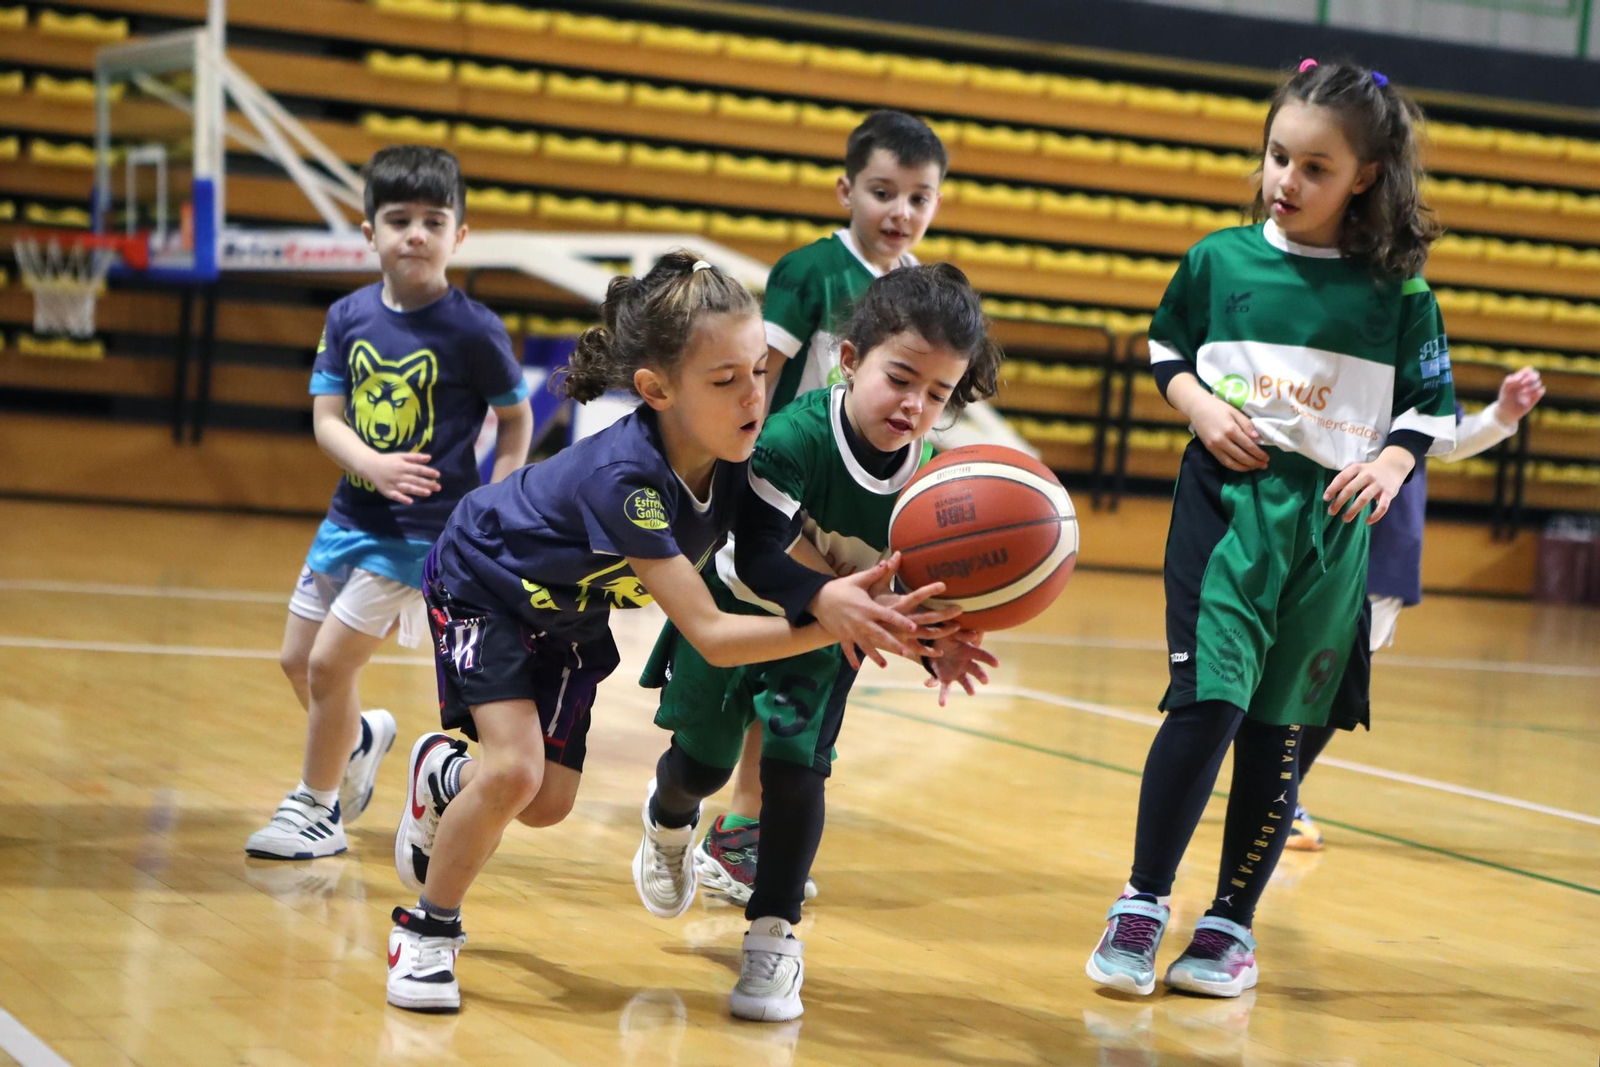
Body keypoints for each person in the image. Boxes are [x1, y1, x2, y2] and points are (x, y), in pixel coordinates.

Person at [384, 252, 958, 1013]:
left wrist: (901, 615)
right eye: (726, 382)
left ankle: (445, 780)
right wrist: (834, 621)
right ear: (656, 390)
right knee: (517, 771)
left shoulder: (738, 455)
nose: (754, 396)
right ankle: (427, 929)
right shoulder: (629, 481)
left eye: (760, 370)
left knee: (546, 801)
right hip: (485, 579)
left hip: (570, 611)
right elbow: (714, 634)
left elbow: (780, 559)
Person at [1083, 58, 1457, 998]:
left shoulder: (1400, 295)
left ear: (1365, 176)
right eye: (1277, 157)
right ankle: (1142, 902)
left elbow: (1429, 408)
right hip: (1227, 510)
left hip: (1330, 530)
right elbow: (1170, 346)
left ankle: (1229, 927)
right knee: (1209, 703)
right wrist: (1199, 407)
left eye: (1314, 167)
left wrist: (1389, 462)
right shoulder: (1220, 260)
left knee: (1279, 731)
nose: (1286, 181)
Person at [637, 263, 1004, 1021]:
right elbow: (755, 550)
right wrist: (829, 596)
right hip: (732, 616)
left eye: (938, 393)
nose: (915, 405)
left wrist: (936, 641)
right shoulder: (794, 435)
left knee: (796, 770)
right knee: (698, 767)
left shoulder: (935, 481)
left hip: (816, 641)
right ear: (848, 359)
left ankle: (774, 933)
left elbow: (911, 589)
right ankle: (668, 819)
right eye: (901, 378)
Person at [681, 110, 952, 902]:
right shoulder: (810, 272)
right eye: (882, 192)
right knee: (782, 655)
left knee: (805, 664)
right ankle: (713, 806)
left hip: (848, 513)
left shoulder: (924, 294)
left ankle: (740, 829)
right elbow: (754, 374)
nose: (900, 212)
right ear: (846, 191)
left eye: (919, 197)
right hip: (780, 488)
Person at [246, 145, 532, 861]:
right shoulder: (346, 316)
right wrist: (370, 463)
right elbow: (326, 419)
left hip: (421, 537)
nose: (414, 233)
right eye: (397, 218)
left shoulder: (474, 330)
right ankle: (362, 737)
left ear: (458, 235)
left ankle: (318, 808)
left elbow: (518, 416)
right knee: (296, 658)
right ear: (368, 229)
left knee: (329, 666)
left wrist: (499, 495)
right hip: (349, 517)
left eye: (433, 220)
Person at [1286, 366, 1545, 850]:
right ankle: (1253, 787)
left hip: (1382, 548)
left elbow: (1448, 438)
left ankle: (1281, 796)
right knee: (1269, 672)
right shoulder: (1321, 347)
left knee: (1334, 681)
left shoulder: (1419, 356)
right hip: (1298, 526)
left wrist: (1502, 415)